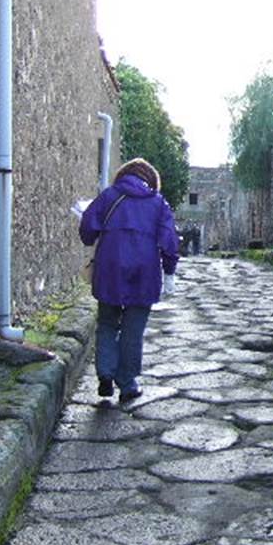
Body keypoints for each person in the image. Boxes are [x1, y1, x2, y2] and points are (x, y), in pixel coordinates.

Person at [78, 158, 179, 403]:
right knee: (133, 330)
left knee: (107, 322)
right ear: (150, 179)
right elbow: (169, 240)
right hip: (144, 271)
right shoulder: (158, 203)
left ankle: (105, 373)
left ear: (123, 176)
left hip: (109, 267)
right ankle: (127, 383)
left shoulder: (109, 196)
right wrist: (169, 272)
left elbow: (87, 232)